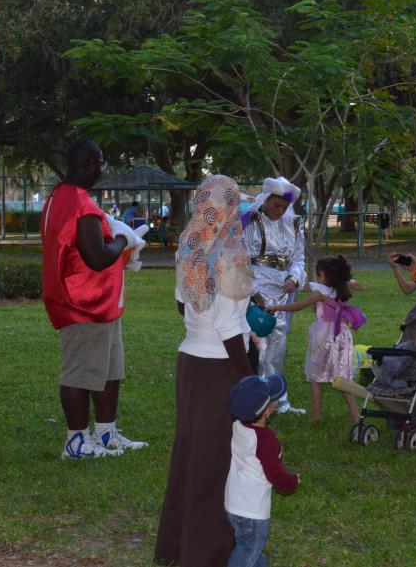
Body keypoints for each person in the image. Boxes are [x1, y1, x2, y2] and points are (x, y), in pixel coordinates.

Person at [154, 175, 256, 567]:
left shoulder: (189, 245)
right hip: (219, 369)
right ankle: (206, 553)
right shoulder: (231, 252)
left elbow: (183, 304)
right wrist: (249, 381)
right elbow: (228, 327)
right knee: (213, 464)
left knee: (189, 454)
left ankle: (176, 548)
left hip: (190, 363)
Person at [41, 140, 148, 460]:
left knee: (110, 369)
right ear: (89, 164)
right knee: (80, 373)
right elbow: (97, 258)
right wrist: (124, 238)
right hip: (82, 303)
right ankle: (76, 442)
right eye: (100, 163)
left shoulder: (59, 195)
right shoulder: (79, 203)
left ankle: (106, 432)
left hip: (101, 302)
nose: (101, 170)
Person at [267, 256, 365, 422]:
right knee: (342, 377)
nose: (317, 278)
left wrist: (276, 307)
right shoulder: (343, 292)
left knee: (315, 376)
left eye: (319, 275)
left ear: (327, 277)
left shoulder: (321, 294)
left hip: (324, 336)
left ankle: (317, 415)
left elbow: (297, 306)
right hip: (342, 334)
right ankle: (355, 413)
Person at [242, 177, 307, 415]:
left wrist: (295, 278)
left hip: (282, 292)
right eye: (276, 205)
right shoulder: (250, 221)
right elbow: (239, 260)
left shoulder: (294, 224)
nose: (280, 211)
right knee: (257, 343)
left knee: (278, 344)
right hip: (256, 289)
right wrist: (254, 292)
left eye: (284, 207)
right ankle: (255, 398)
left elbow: (298, 257)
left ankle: (276, 400)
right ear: (266, 200)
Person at [224, 374, 300, 567]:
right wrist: (292, 481)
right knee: (249, 550)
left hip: (233, 503)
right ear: (267, 411)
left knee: (249, 547)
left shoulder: (238, 426)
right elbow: (274, 474)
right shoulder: (265, 440)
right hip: (252, 511)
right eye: (273, 398)